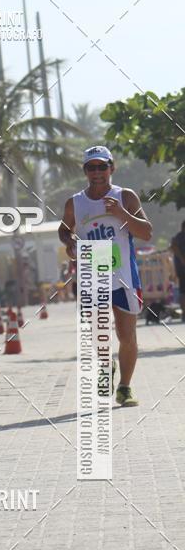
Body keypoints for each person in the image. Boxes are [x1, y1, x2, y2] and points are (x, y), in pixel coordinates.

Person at [59, 146, 152, 407]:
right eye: (92, 167)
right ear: (85, 171)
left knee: (126, 334)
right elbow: (64, 230)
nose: (97, 172)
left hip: (124, 274)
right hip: (94, 270)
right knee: (99, 334)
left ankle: (124, 387)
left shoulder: (126, 197)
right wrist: (70, 241)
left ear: (112, 168)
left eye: (102, 166)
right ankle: (106, 366)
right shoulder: (75, 202)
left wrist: (122, 214)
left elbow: (146, 232)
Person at [170, 220, 185, 322]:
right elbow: (174, 247)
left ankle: (184, 314)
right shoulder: (179, 237)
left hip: (180, 269)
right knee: (183, 291)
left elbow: (173, 247)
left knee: (182, 291)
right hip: (182, 269)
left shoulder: (177, 237)